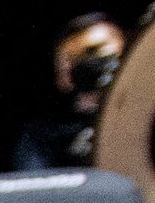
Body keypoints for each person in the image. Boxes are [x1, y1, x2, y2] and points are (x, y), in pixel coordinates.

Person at [15, 13, 125, 171]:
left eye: (96, 50)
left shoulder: (152, 115)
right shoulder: (42, 138)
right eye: (72, 58)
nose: (92, 62)